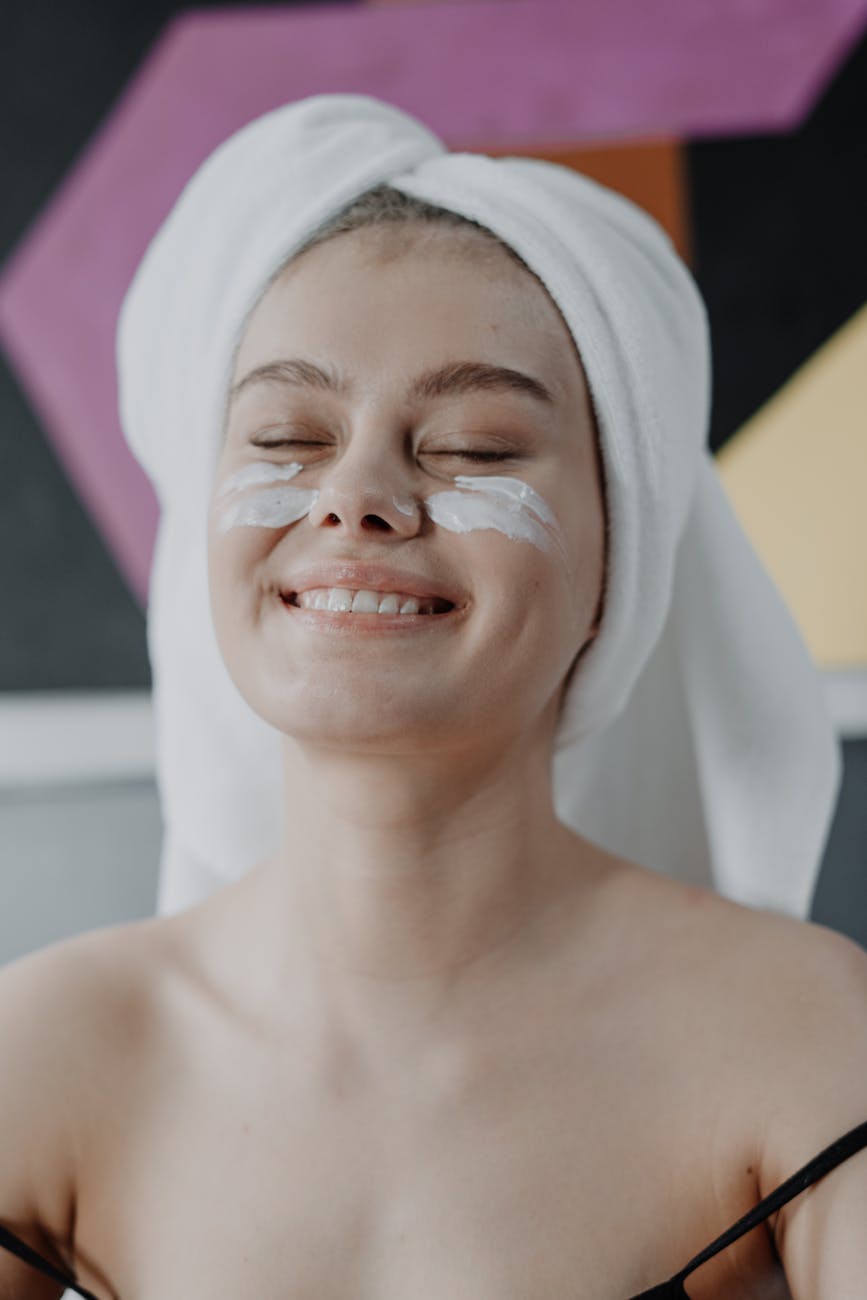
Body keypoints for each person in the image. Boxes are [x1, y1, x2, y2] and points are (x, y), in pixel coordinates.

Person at [1, 95, 865, 1300]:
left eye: (475, 447)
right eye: (289, 436)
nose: (357, 495)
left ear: (622, 557)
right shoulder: (42, 1055)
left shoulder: (811, 1039)